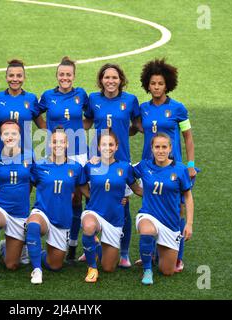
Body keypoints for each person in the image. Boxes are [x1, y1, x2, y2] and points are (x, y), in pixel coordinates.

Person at [138, 58, 197, 272]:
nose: (156, 87)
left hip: (174, 167)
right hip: (150, 167)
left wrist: (190, 164)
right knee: (152, 207)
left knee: (177, 210)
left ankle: (177, 256)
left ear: (167, 84)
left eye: (160, 84)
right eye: (153, 83)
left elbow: (188, 138)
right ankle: (152, 253)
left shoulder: (178, 109)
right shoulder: (143, 109)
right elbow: (135, 128)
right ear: (148, 84)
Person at [83, 63, 141, 267]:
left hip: (121, 159)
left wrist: (125, 134)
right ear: (101, 80)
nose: (110, 81)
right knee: (91, 202)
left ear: (121, 80)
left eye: (114, 78)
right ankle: (90, 245)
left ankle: (123, 252)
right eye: (107, 77)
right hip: (96, 159)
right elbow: (87, 122)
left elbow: (138, 125)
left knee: (123, 205)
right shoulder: (93, 99)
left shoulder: (130, 100)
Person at [37, 56, 89, 263]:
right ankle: (52, 237)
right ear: (56, 76)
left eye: (68, 75)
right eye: (61, 74)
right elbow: (36, 115)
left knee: (78, 197)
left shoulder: (81, 95)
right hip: (54, 151)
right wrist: (46, 131)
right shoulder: (48, 96)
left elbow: (91, 116)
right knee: (53, 192)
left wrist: (80, 129)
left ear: (74, 76)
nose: (64, 78)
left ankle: (72, 244)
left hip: (78, 151)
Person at [80, 130, 142, 282]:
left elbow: (136, 189)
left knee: (108, 267)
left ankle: (97, 247)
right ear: (99, 147)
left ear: (117, 147)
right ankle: (92, 268)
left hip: (114, 219)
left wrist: (160, 196)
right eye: (104, 144)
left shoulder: (125, 167)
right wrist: (91, 196)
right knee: (88, 226)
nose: (107, 148)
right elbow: (81, 185)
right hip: (94, 213)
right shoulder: (90, 166)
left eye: (111, 144)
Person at [26, 128, 86, 284]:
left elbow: (84, 191)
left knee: (55, 265)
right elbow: (26, 186)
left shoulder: (76, 168)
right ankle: (37, 270)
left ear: (67, 144)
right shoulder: (39, 166)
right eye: (54, 142)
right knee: (33, 225)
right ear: (49, 144)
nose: (58, 145)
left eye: (62, 142)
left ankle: (29, 249)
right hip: (43, 212)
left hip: (62, 218)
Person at [133, 133, 194, 285]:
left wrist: (189, 224)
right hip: (148, 215)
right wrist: (137, 190)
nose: (160, 151)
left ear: (170, 149)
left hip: (170, 223)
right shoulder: (144, 165)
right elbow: (124, 173)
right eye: (157, 147)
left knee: (167, 271)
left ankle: (156, 253)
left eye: (164, 147)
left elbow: (188, 197)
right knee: (147, 231)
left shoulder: (180, 169)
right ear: (152, 149)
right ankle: (147, 269)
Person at [0, 120, 34, 282]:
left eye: (14, 133)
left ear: (20, 136)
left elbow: (34, 181)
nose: (10, 136)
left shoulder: (29, 156)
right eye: (6, 133)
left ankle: (6, 245)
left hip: (19, 212)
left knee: (12, 265)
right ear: (0, 136)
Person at [0, 59, 45, 158]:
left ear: (24, 77)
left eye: (19, 76)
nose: (15, 79)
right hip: (0, 155)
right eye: (11, 75)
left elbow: (43, 126)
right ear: (6, 77)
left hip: (26, 156)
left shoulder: (31, 99)